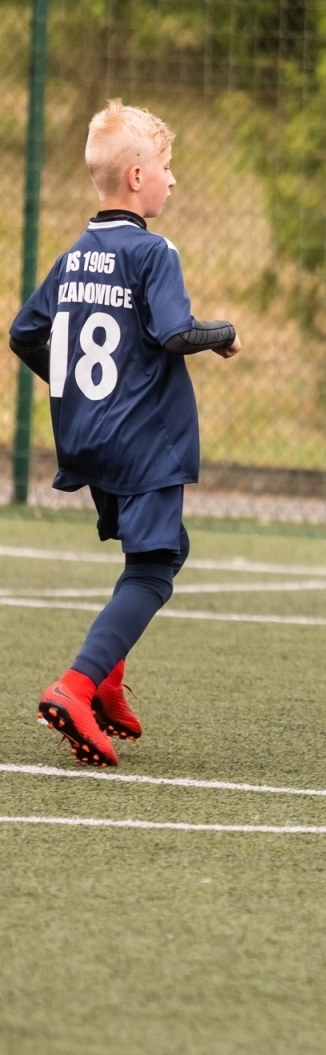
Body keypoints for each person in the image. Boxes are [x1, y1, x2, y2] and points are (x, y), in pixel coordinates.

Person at [9, 99, 242, 767]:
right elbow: (173, 331)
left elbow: (26, 333)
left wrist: (78, 388)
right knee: (155, 565)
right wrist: (221, 335)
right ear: (137, 177)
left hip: (88, 437)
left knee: (157, 553)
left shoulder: (75, 255)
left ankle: (107, 681)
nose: (174, 181)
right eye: (168, 168)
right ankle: (78, 685)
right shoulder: (152, 251)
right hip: (145, 441)